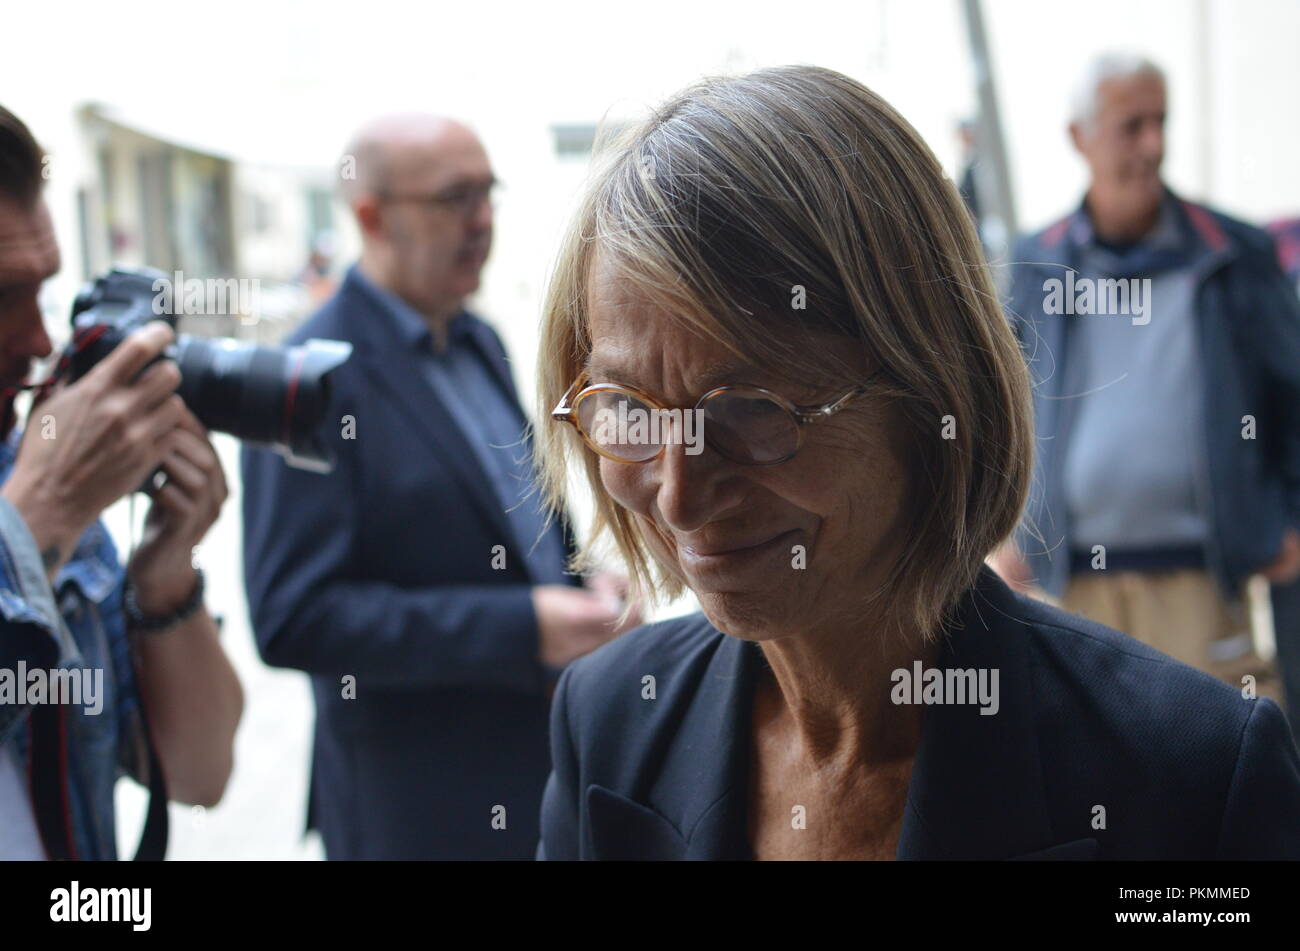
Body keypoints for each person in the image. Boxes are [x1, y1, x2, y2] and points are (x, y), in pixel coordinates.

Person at [531, 66, 1300, 860]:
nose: (681, 496)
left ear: (929, 392)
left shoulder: (1189, 775)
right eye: (626, 409)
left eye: (749, 410)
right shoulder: (609, 719)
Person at [242, 114, 637, 860]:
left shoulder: (476, 337)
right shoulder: (304, 377)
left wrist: (588, 585)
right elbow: (293, 615)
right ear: (371, 215)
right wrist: (524, 626)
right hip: (416, 804)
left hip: (534, 771)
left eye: (487, 193)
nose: (482, 220)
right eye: (455, 198)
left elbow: (517, 515)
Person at [994, 54, 1300, 693]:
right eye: (1131, 126)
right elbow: (999, 404)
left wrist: (1287, 522)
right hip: (1070, 583)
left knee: (1216, 771)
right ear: (1079, 138)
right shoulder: (1037, 260)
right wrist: (1005, 529)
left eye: (1161, 122)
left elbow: (1290, 395)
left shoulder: (1233, 253)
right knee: (1082, 773)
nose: (1154, 145)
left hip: (1201, 581)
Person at [0, 104, 242, 860]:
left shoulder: (23, 464)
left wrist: (166, 576)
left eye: (39, 292)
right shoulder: (37, 489)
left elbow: (200, 772)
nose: (40, 341)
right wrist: (33, 521)